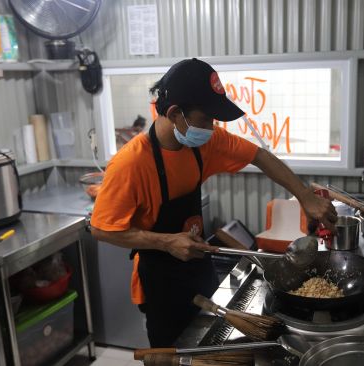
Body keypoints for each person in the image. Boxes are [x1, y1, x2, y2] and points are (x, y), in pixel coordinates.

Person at [90, 58, 337, 347]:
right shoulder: (131, 164)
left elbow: (259, 156)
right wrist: (167, 242)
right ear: (174, 113)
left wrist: (304, 195)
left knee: (208, 347)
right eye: (206, 118)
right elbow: (101, 229)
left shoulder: (206, 143)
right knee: (174, 353)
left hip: (198, 267)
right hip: (161, 283)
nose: (212, 127)